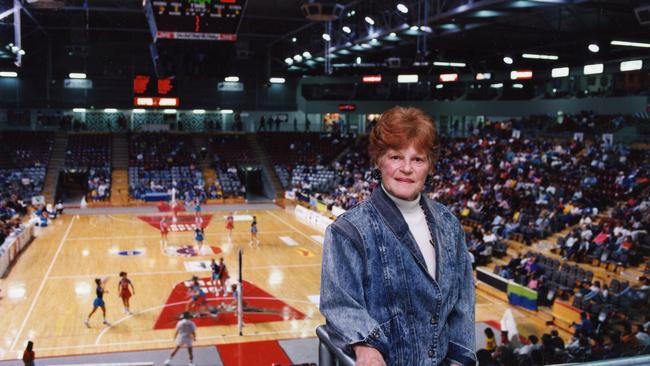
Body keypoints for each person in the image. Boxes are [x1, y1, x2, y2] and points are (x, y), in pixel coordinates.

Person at [320, 107, 476, 366]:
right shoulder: (347, 231)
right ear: (379, 160)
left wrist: (460, 359)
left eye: (417, 159)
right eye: (396, 157)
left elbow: (463, 305)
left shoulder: (449, 225)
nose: (406, 168)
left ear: (430, 165)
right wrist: (365, 345)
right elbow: (340, 304)